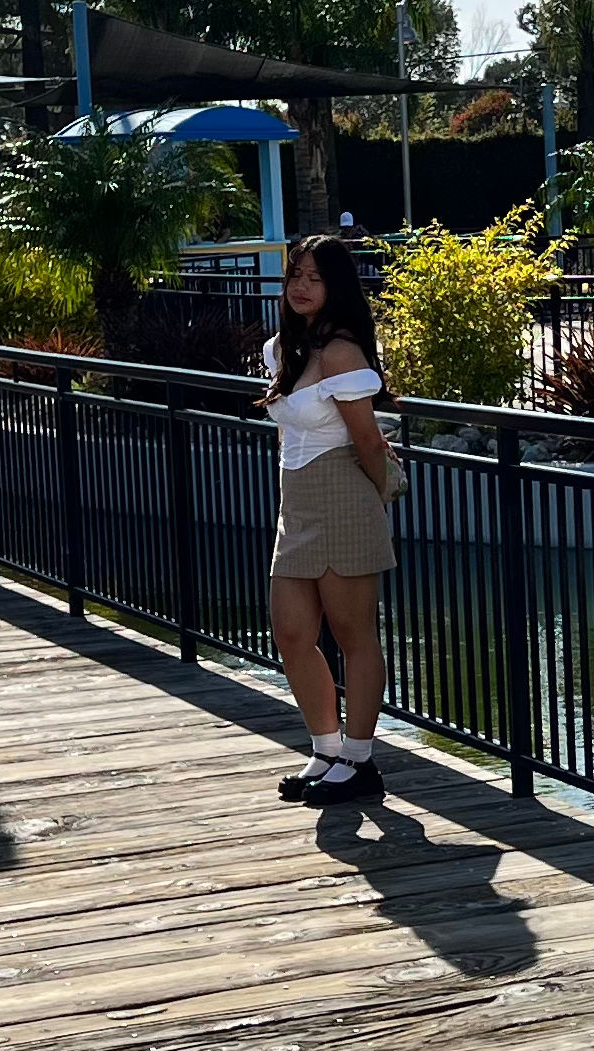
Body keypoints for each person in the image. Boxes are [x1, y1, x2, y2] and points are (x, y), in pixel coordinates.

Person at [263, 235, 398, 807]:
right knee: (291, 631)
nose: (300, 286)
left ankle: (360, 761)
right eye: (296, 274)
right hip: (296, 503)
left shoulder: (342, 353)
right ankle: (326, 748)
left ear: (336, 286)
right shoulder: (284, 348)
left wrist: (383, 490)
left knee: (353, 636)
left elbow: (368, 440)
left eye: (314, 278)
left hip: (344, 498)